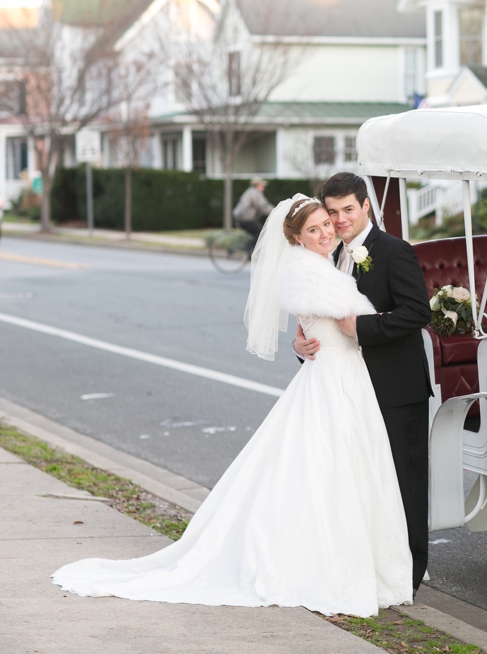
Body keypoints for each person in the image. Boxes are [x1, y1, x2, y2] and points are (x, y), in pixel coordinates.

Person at [52, 195, 414, 617]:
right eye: (314, 229)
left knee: (344, 469)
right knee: (328, 470)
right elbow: (351, 317)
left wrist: (304, 337)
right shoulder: (308, 272)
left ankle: (360, 563)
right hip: (334, 380)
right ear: (296, 237)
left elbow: (320, 324)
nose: (326, 232)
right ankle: (323, 565)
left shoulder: (321, 265)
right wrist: (330, 330)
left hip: (344, 377)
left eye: (326, 225)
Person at [293, 172, 432, 594]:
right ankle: (372, 568)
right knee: (363, 483)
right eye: (331, 213)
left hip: (395, 388)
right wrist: (302, 344)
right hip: (347, 391)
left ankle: (409, 575)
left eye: (347, 210)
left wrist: (366, 327)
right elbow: (316, 319)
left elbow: (417, 312)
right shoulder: (326, 255)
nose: (338, 221)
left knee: (404, 482)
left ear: (366, 206)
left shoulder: (394, 251)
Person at [234, 177, 274, 251]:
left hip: (243, 218)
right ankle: (247, 246)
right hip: (246, 219)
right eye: (262, 185)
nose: (263, 187)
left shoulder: (251, 191)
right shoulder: (254, 193)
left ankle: (250, 250)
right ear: (258, 185)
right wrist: (275, 211)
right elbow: (263, 205)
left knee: (258, 232)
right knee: (261, 233)